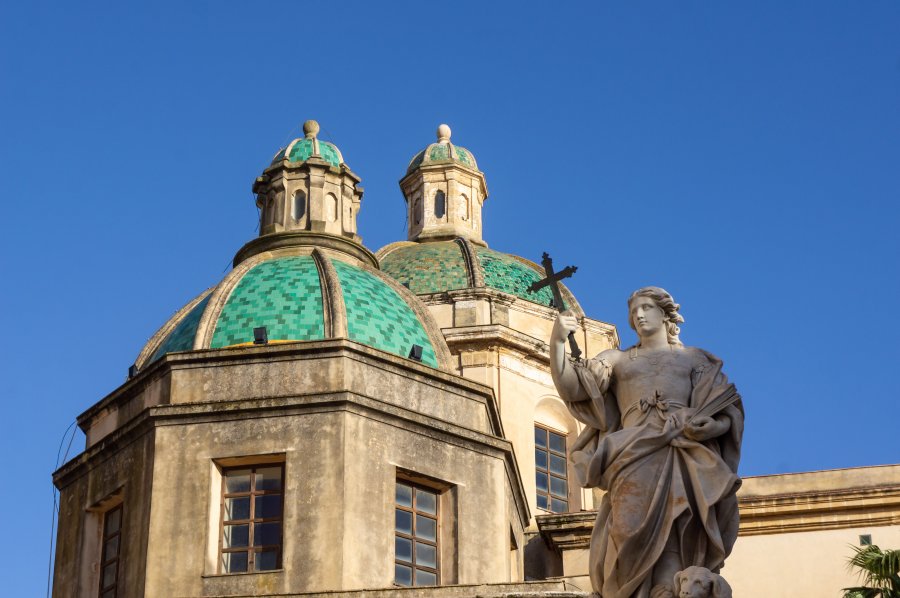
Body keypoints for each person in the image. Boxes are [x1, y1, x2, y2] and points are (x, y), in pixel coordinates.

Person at [550, 287, 743, 598]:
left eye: (646, 308)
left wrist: (711, 427)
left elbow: (725, 409)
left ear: (665, 314)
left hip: (683, 450)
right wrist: (558, 342)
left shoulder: (693, 360)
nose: (638, 315)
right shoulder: (617, 360)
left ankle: (668, 588)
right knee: (626, 529)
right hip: (631, 453)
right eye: (633, 311)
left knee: (681, 526)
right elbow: (573, 388)